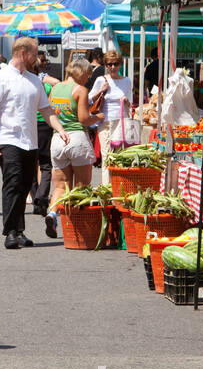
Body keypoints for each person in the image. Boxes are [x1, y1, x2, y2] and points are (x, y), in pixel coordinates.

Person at [0, 36, 59, 250]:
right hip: (8, 140)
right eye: (35, 54)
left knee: (26, 185)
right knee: (13, 184)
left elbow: (46, 109)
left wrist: (60, 130)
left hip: (30, 142)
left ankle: (19, 230)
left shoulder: (35, 81)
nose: (38, 58)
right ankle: (9, 232)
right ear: (23, 53)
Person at [46, 57, 100, 239]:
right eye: (88, 74)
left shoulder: (56, 89)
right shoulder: (80, 90)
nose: (88, 78)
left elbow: (51, 112)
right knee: (81, 186)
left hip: (58, 139)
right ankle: (77, 226)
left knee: (60, 186)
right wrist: (98, 117)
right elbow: (84, 119)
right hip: (77, 138)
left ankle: (52, 214)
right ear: (81, 72)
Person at [88, 50, 133, 183]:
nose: (112, 67)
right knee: (107, 155)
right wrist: (101, 90)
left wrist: (126, 101)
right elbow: (89, 99)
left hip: (121, 122)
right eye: (109, 64)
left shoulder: (126, 81)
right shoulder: (101, 80)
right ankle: (107, 188)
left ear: (120, 65)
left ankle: (119, 186)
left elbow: (130, 103)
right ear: (105, 65)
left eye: (115, 64)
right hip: (105, 122)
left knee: (119, 157)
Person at [32, 57, 61, 218]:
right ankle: (41, 196)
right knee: (45, 163)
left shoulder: (24, 82)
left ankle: (37, 196)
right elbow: (57, 83)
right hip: (44, 123)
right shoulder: (44, 83)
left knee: (31, 163)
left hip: (29, 124)